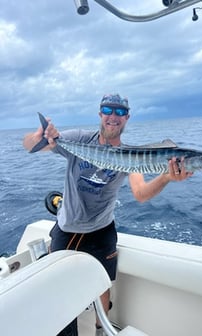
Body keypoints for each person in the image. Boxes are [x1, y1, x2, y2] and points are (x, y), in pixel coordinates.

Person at [23, 93, 193, 336]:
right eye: (108, 110)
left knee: (103, 286)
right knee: (60, 287)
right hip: (69, 228)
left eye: (120, 112)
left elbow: (141, 193)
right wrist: (40, 136)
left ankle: (100, 331)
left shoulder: (132, 157)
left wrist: (166, 176)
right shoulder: (80, 139)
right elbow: (29, 146)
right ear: (100, 114)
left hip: (103, 230)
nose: (114, 116)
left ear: (127, 118)